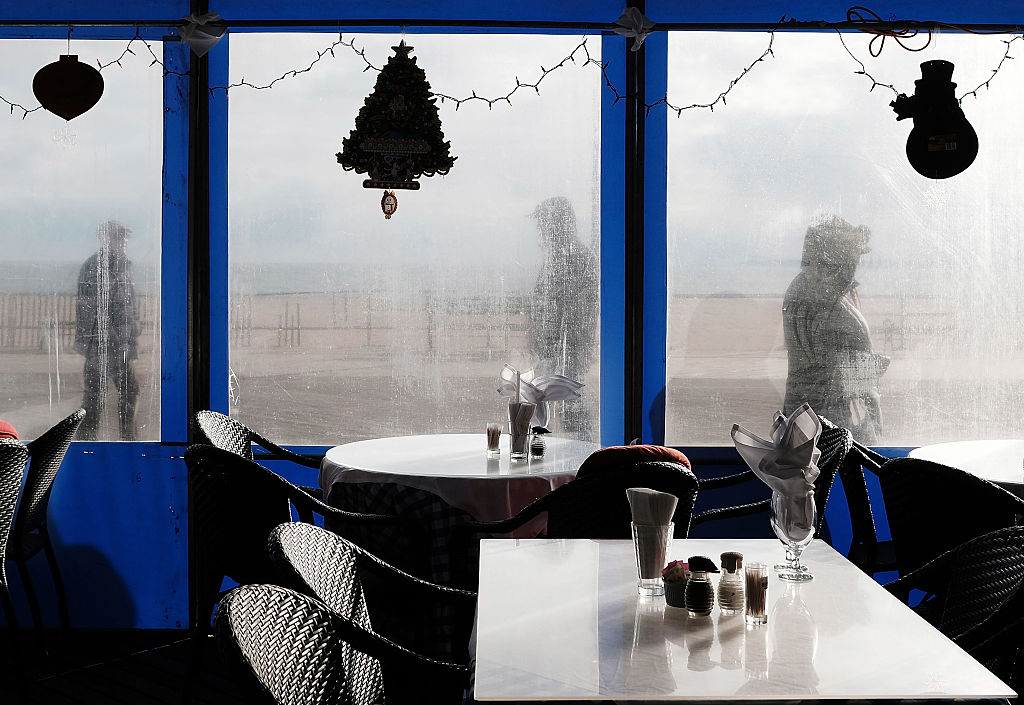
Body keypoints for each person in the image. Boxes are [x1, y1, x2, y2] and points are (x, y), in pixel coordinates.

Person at [782, 216, 889, 443]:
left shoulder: (799, 288)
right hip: (834, 422)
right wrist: (876, 423)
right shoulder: (834, 306)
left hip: (801, 416)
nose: (858, 263)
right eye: (855, 256)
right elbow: (860, 382)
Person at [528, 196, 599, 439]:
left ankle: (582, 460)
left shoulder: (574, 258)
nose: (542, 232)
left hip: (564, 352)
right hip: (558, 352)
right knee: (561, 412)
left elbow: (577, 314)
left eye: (544, 224)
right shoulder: (564, 257)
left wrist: (562, 353)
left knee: (570, 412)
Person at [75, 220, 140, 440]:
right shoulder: (97, 267)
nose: (124, 241)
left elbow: (128, 305)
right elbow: (94, 312)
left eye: (126, 236)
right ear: (106, 239)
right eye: (118, 236)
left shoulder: (121, 267)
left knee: (127, 393)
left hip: (118, 347)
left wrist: (133, 333)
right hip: (101, 347)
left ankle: (125, 442)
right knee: (96, 399)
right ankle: (88, 445)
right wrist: (115, 343)